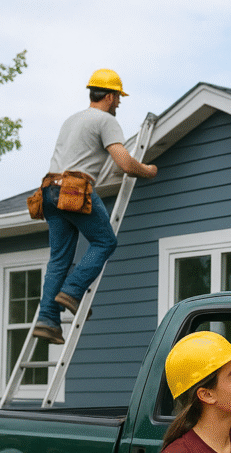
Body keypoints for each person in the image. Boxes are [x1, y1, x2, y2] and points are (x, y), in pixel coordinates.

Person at [33, 68, 158, 344]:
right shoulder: (104, 120)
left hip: (48, 191)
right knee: (104, 242)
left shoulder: (71, 120)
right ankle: (73, 290)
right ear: (111, 96)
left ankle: (47, 320)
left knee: (59, 260)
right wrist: (148, 170)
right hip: (74, 189)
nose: (119, 103)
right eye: (119, 98)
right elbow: (124, 163)